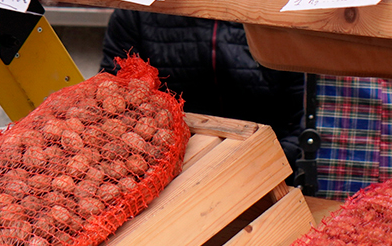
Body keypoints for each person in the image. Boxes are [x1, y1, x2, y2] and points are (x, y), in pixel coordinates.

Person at [100, 10, 303, 171]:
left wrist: (276, 161)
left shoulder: (279, 11)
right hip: (165, 173)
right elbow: (113, 103)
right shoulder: (140, 10)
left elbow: (305, 112)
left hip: (263, 169)